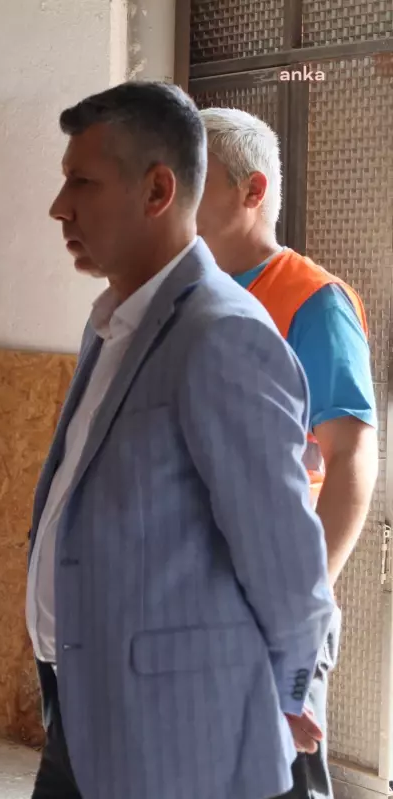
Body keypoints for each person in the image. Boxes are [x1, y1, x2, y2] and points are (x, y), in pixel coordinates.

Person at [28, 81, 336, 799]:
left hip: (179, 731)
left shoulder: (220, 335)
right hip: (86, 702)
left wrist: (294, 694)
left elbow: (286, 559)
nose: (59, 206)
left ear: (158, 191)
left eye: (82, 182)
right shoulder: (114, 324)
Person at [197, 106, 378, 799]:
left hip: (272, 597)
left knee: (279, 780)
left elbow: (352, 459)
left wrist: (302, 601)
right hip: (193, 592)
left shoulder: (312, 302)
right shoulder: (185, 297)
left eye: (195, 177)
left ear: (253, 189)